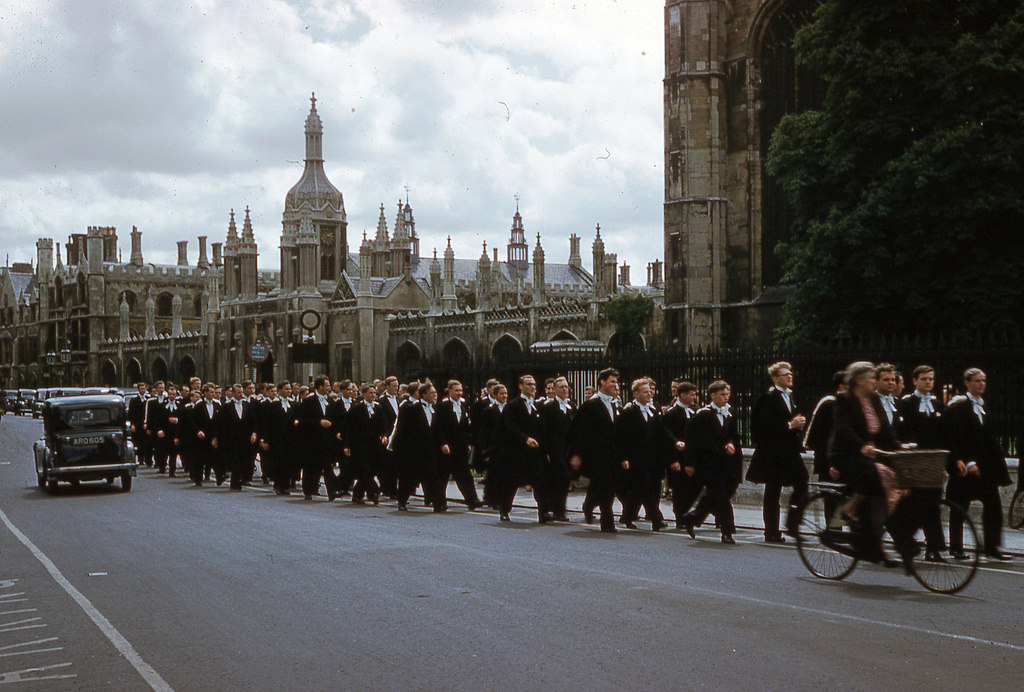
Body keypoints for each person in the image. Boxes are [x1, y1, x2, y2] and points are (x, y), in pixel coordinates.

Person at [828, 362, 899, 563]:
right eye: (871, 377)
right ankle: (849, 509)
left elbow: (884, 429)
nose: (874, 381)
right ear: (858, 380)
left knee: (887, 487)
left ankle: (875, 543)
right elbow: (844, 429)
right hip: (847, 454)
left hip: (870, 454)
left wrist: (898, 446)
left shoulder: (874, 399)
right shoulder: (845, 399)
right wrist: (861, 446)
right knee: (872, 475)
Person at [945, 368, 1013, 561]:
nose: (981, 384)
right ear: (967, 383)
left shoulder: (984, 407)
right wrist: (967, 461)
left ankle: (992, 546)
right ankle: (956, 547)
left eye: (983, 381)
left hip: (986, 468)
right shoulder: (958, 408)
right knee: (959, 507)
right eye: (976, 381)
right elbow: (956, 438)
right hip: (966, 467)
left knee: (993, 506)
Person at [746, 362, 808, 543]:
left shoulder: (790, 397)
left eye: (790, 374)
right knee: (773, 491)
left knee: (802, 483)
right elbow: (762, 428)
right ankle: (771, 530)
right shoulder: (768, 398)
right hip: (773, 453)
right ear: (775, 378)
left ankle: (792, 523)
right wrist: (790, 425)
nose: (789, 377)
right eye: (784, 375)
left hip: (789, 452)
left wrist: (796, 424)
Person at [679, 380, 743, 544]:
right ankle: (727, 530)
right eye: (722, 394)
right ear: (712, 395)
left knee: (715, 496)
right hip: (709, 465)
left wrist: (730, 444)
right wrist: (690, 463)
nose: (725, 397)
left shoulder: (729, 413)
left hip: (726, 464)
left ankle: (692, 517)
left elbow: (733, 435)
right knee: (722, 498)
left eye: (727, 394)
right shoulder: (702, 415)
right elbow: (691, 441)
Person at [897, 365, 947, 561]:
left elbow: (944, 432)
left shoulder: (937, 404)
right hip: (914, 461)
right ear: (915, 381)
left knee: (933, 504)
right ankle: (906, 540)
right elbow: (902, 430)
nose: (928, 382)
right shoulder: (907, 403)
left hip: (933, 462)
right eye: (924, 379)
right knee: (916, 504)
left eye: (931, 379)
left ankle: (934, 547)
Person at [617, 377, 674, 531]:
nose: (650, 395)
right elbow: (622, 437)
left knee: (649, 490)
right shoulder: (628, 411)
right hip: (636, 458)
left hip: (653, 458)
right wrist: (624, 457)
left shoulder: (653, 410)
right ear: (636, 394)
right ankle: (657, 519)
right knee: (646, 488)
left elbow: (663, 431)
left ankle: (627, 516)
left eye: (650, 392)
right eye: (645, 392)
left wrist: (675, 442)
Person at [569, 368, 621, 533]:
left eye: (616, 382)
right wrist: (577, 454)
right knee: (605, 487)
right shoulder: (591, 404)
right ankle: (607, 522)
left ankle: (589, 504)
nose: (615, 385)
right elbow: (579, 431)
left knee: (606, 486)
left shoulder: (614, 403)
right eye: (612, 381)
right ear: (602, 382)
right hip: (596, 455)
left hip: (611, 454)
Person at [497, 375, 548, 523]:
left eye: (533, 384)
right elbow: (509, 427)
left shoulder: (538, 406)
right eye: (528, 384)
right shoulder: (513, 405)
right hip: (517, 452)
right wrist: (525, 438)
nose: (532, 387)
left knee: (539, 482)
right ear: (520, 386)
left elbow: (542, 429)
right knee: (512, 482)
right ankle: (505, 509)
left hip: (535, 453)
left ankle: (543, 512)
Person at [434, 380, 482, 510]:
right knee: (443, 476)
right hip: (447, 447)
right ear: (449, 391)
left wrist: (468, 443)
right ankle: (439, 502)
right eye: (456, 390)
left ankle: (472, 500)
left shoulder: (463, 405)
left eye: (460, 390)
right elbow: (438, 427)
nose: (459, 393)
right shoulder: (442, 406)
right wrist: (442, 443)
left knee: (465, 475)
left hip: (460, 447)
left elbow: (465, 427)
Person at [663, 380, 700, 529]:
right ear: (682, 395)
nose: (694, 397)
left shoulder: (695, 412)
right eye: (691, 395)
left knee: (694, 487)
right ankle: (680, 517)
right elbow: (667, 437)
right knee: (679, 490)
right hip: (678, 458)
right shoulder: (672, 414)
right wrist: (672, 460)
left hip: (692, 458)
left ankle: (686, 513)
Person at [343, 383, 387, 504]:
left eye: (374, 393)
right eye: (370, 393)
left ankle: (357, 494)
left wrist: (384, 435)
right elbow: (349, 428)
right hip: (360, 445)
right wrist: (347, 445)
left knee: (371, 470)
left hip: (374, 445)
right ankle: (373, 492)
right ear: (364, 394)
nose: (373, 395)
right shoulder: (357, 408)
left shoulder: (378, 408)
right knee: (364, 469)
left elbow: (383, 425)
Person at [539, 376, 575, 522]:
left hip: (568, 449)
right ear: (554, 389)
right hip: (554, 449)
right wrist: (546, 451)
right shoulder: (548, 407)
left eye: (566, 387)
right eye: (561, 387)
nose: (565, 389)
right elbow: (544, 430)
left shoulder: (571, 405)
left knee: (564, 480)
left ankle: (559, 509)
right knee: (554, 480)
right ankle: (549, 509)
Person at [297, 375, 338, 500]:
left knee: (328, 466)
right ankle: (308, 490)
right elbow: (303, 420)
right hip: (313, 440)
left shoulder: (331, 401)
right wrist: (319, 422)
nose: (329, 388)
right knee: (311, 467)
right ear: (320, 387)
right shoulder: (309, 401)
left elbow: (335, 419)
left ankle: (333, 491)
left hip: (327, 441)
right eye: (327, 385)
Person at [217, 383, 259, 490]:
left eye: (241, 393)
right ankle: (235, 481)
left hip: (245, 437)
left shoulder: (248, 405)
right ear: (233, 393)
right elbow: (221, 424)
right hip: (232, 438)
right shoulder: (226, 406)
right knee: (235, 459)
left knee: (245, 459)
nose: (240, 394)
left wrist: (254, 433)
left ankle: (243, 478)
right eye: (238, 393)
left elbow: (253, 421)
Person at [190, 382, 221, 487]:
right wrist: (198, 430)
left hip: (214, 435)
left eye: (214, 392)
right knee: (200, 458)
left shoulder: (217, 405)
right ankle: (198, 478)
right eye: (211, 392)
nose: (213, 394)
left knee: (216, 457)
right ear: (205, 393)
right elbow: (193, 421)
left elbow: (220, 421)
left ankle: (219, 477)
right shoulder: (199, 406)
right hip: (202, 436)